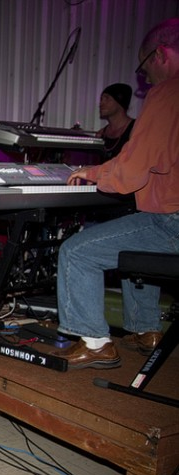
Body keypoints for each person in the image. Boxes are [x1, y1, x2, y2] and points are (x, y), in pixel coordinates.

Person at [58, 17, 179, 369]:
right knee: (131, 244)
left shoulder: (167, 93)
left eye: (143, 69)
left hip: (173, 222)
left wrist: (91, 173)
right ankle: (147, 330)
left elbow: (130, 171)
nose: (145, 79)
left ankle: (94, 342)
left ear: (159, 55)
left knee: (77, 251)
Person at [95, 83, 136, 160]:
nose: (101, 103)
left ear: (120, 102)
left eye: (107, 98)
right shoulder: (101, 134)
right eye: (101, 99)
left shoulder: (136, 129)